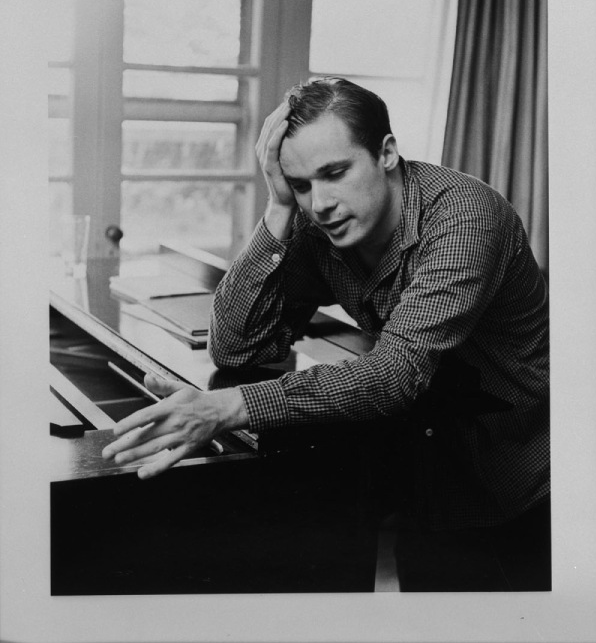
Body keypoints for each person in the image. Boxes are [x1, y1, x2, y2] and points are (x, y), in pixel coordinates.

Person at [103, 77, 550, 591]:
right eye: (301, 184)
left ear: (386, 153)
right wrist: (277, 211)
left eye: (335, 173)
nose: (321, 204)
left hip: (522, 485)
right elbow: (236, 344)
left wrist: (224, 408)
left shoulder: (465, 218)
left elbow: (394, 375)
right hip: (431, 485)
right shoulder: (318, 226)